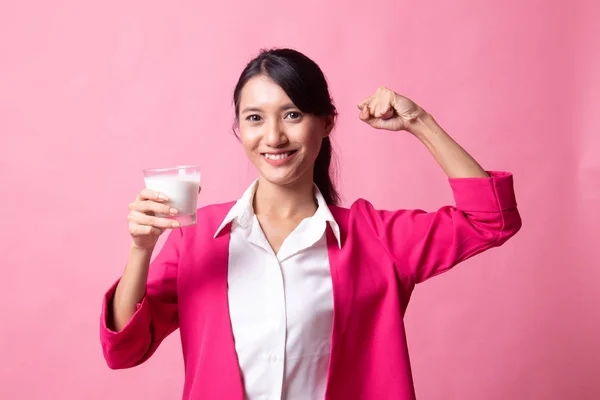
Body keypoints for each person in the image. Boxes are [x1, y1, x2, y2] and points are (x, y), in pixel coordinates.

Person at [100, 48, 522, 400]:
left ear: (327, 122)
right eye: (254, 118)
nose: (273, 137)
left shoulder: (375, 238)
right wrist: (142, 248)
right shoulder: (197, 240)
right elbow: (124, 349)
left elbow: (490, 220)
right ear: (239, 129)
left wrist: (418, 121)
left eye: (293, 114)